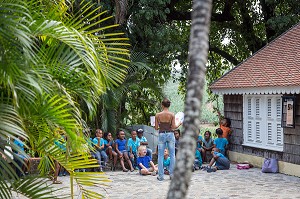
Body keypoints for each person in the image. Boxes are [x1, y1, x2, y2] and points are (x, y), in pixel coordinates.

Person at [155, 98, 181, 181]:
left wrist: (160, 126)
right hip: (170, 134)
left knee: (160, 155)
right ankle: (172, 174)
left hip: (162, 133)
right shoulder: (172, 115)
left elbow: (156, 127)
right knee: (172, 155)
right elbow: (174, 127)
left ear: (162, 105)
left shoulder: (158, 115)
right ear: (169, 105)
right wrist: (179, 123)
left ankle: (161, 176)